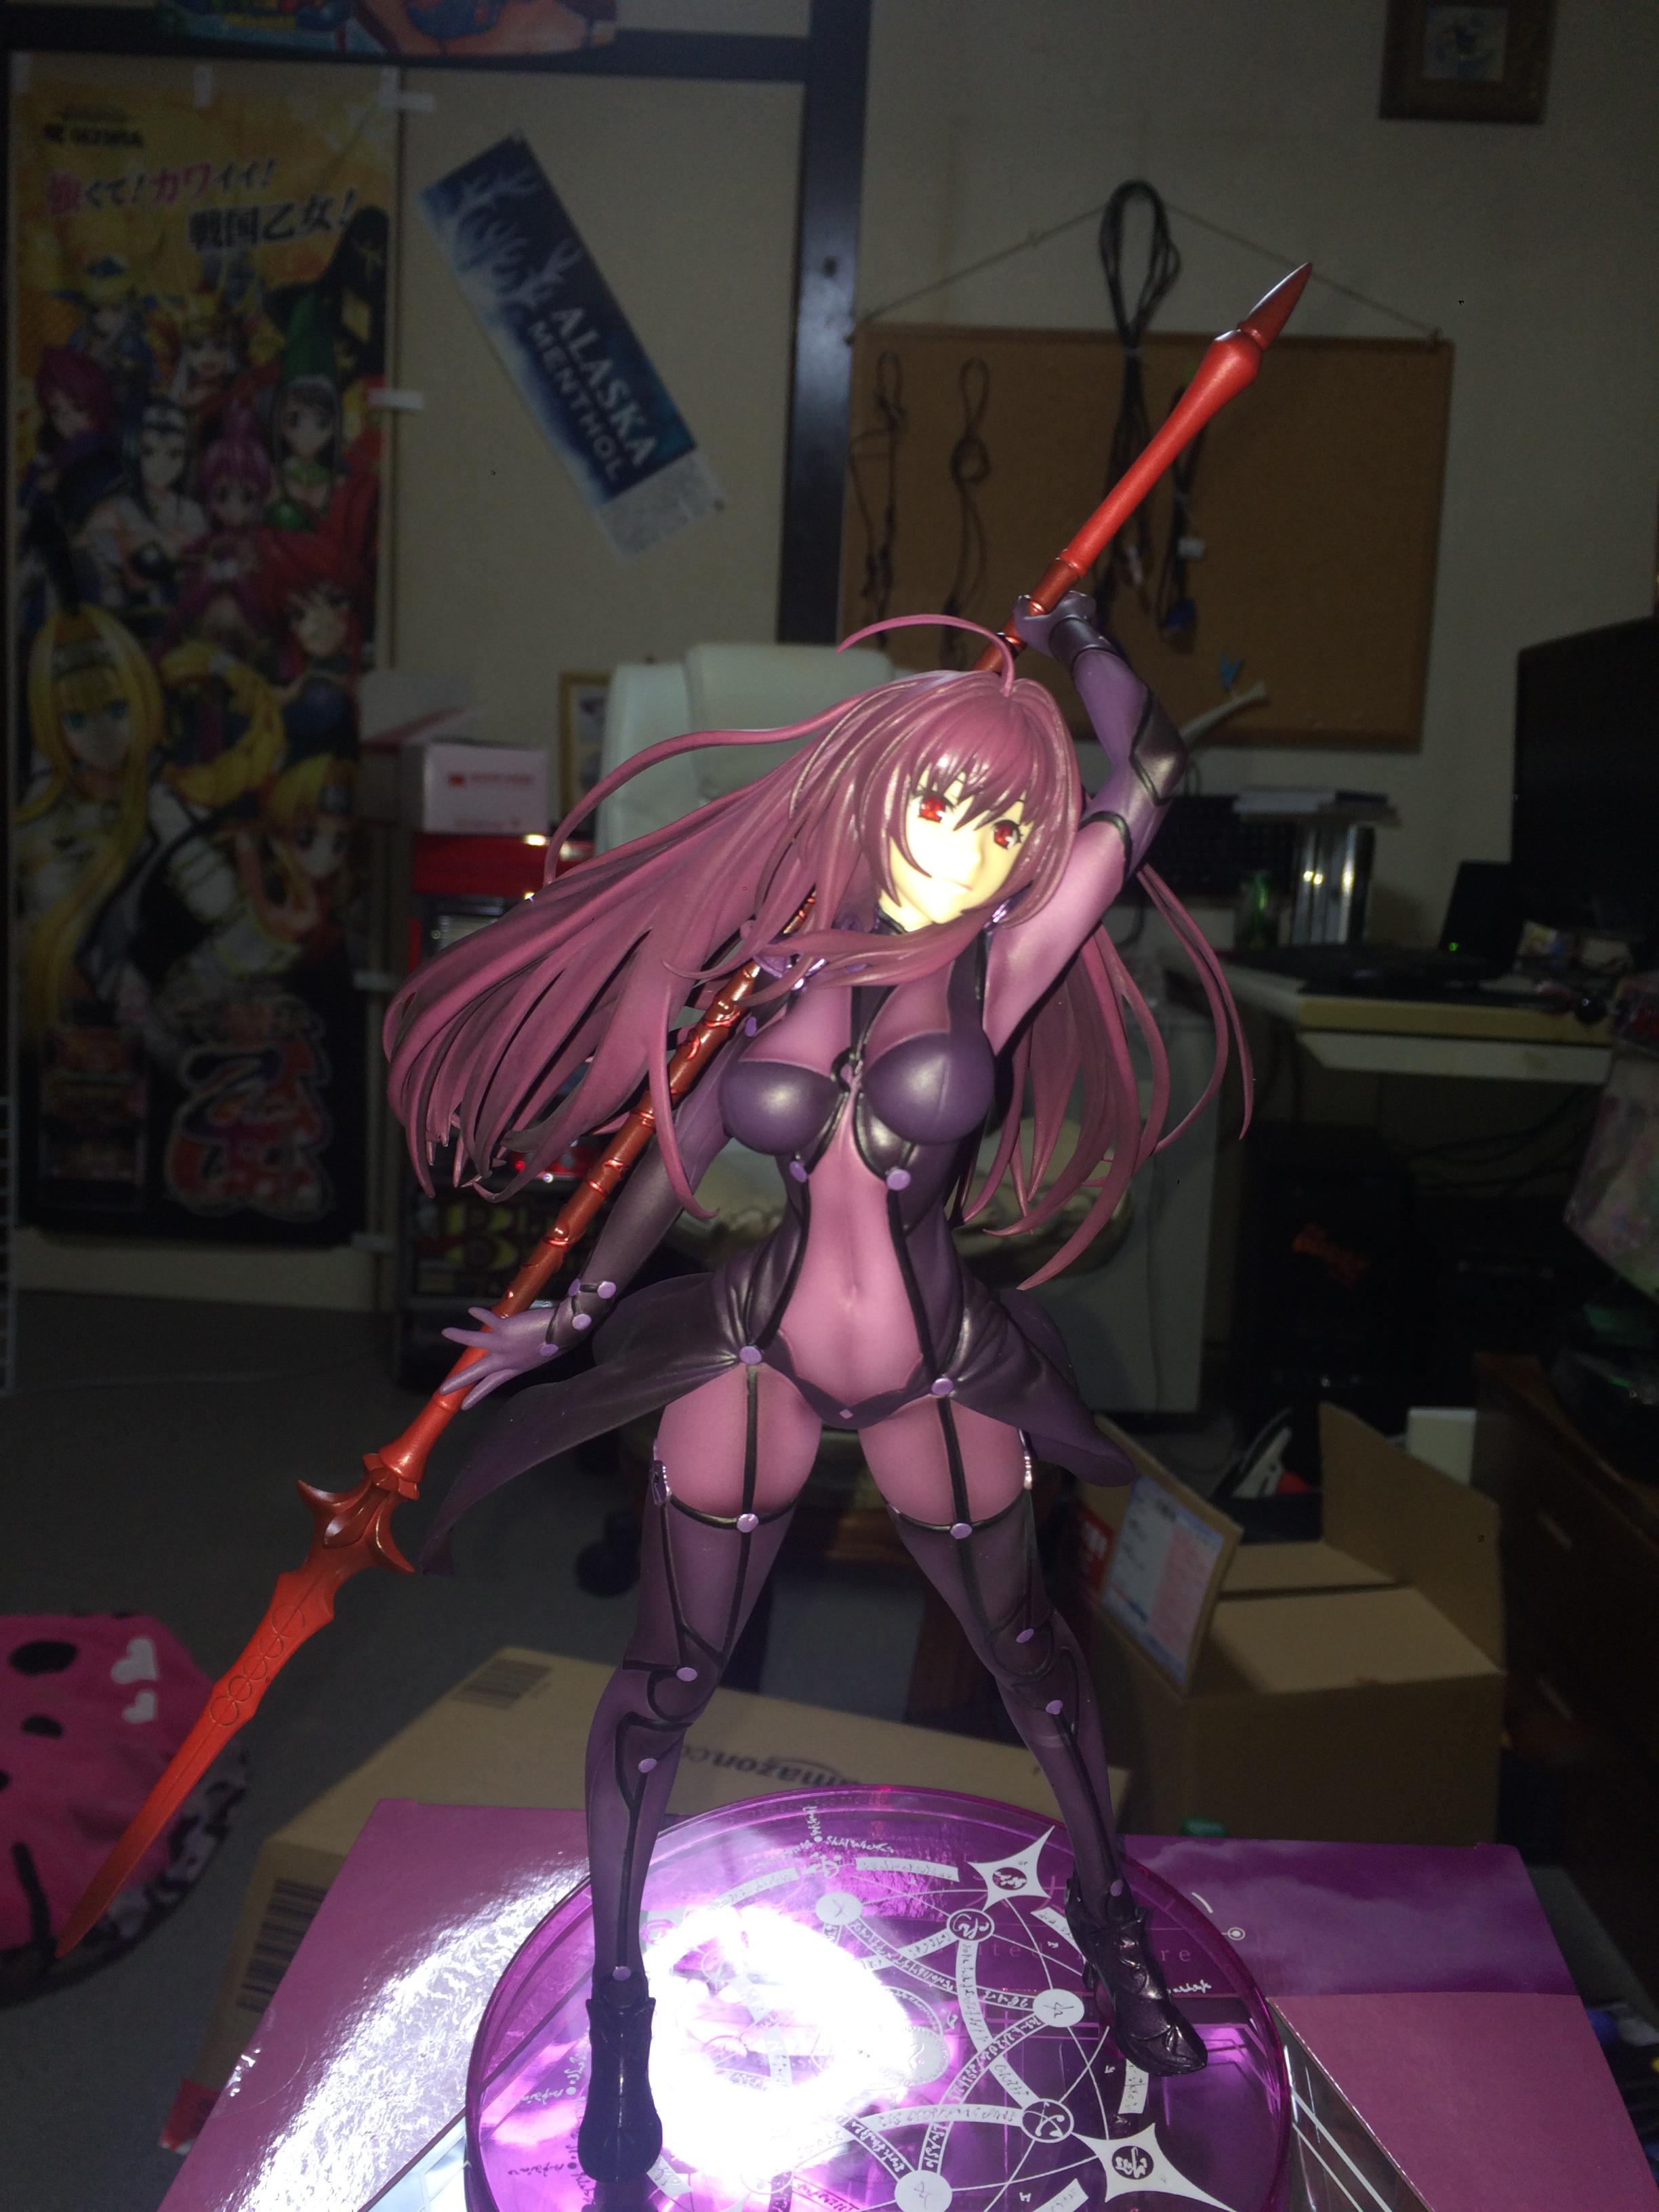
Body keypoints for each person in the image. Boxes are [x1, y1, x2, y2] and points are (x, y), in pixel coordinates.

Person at [384, 598, 1245, 2182]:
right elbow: (677, 1152)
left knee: (1030, 1657)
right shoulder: (773, 974)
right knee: (665, 1681)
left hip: (935, 1362)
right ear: (872, 795)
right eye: (940, 805)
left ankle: (1109, 1917)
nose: (965, 851)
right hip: (757, 1345)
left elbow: (1158, 769)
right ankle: (625, 2000)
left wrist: (1086, 637)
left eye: (1004, 827)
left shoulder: (1007, 962)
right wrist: (571, 1314)